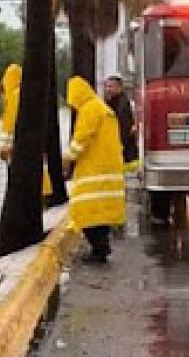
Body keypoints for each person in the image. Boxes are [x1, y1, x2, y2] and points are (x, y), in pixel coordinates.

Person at [65, 76, 126, 264]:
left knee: (86, 212)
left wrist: (67, 158)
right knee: (101, 213)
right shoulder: (101, 107)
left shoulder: (89, 110)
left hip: (94, 168)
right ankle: (101, 247)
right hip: (109, 168)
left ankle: (99, 249)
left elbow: (81, 139)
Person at [0, 64, 53, 199]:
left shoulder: (15, 98)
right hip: (31, 165)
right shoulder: (27, 96)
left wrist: (5, 148)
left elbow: (12, 129)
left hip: (20, 163)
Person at [104, 75, 139, 173]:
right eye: (106, 86)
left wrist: (118, 145)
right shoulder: (112, 101)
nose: (107, 89)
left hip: (126, 154)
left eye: (111, 86)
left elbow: (124, 127)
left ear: (119, 88)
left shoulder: (122, 104)